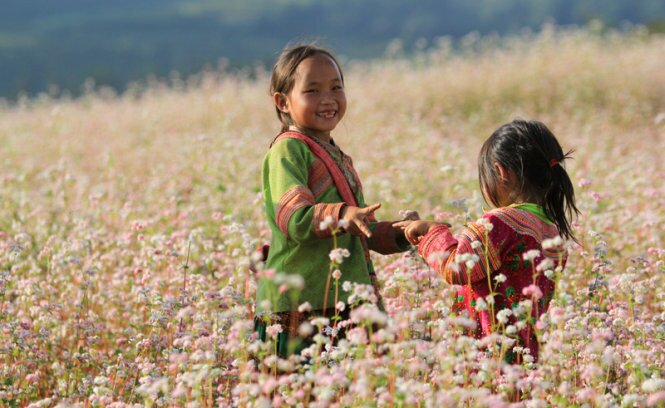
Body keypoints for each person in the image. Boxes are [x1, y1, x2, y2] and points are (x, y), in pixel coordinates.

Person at [255, 43, 413, 356]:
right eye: (312, 90)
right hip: (299, 308)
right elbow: (295, 218)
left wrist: (401, 233)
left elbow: (360, 230)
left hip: (342, 303)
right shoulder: (288, 150)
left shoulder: (336, 154)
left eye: (336, 87)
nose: (328, 99)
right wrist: (342, 215)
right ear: (282, 102)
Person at [397, 119, 579, 362]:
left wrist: (432, 231)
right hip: (526, 356)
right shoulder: (551, 231)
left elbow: (457, 267)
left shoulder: (500, 223)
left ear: (501, 172)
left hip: (486, 354)